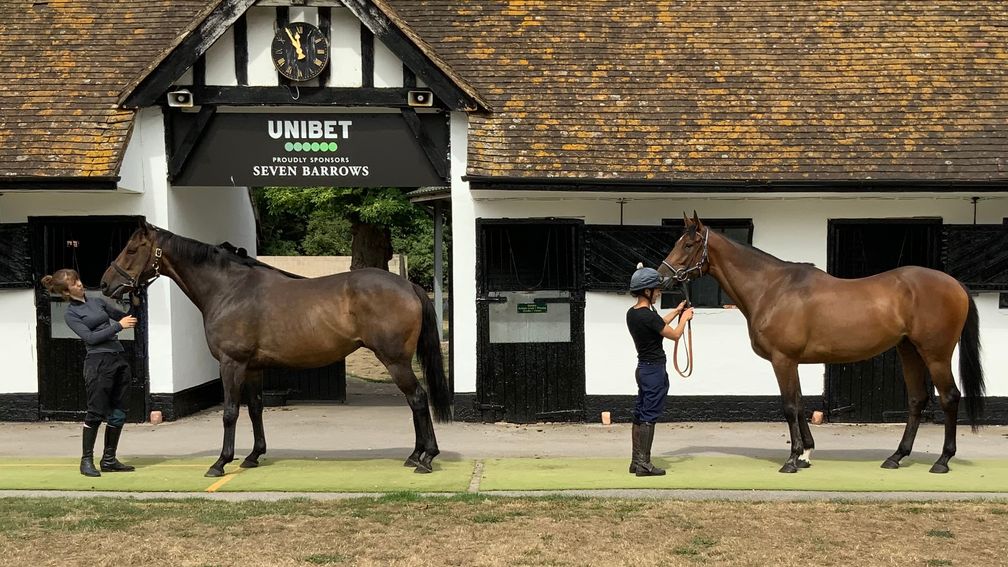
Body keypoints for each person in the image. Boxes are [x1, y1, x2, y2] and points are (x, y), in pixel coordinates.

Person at [41, 269, 137, 477]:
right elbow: (91, 338)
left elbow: (124, 317)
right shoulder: (71, 314)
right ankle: (86, 461)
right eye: (74, 283)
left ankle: (109, 459)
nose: (80, 284)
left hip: (118, 358)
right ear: (66, 292)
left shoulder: (97, 302)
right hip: (97, 363)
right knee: (95, 413)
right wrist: (119, 327)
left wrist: (135, 301)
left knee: (120, 411)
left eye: (79, 279)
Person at [626, 263, 693, 476]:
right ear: (647, 291)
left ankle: (636, 461)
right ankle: (645, 464)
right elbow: (673, 334)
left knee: (640, 413)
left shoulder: (634, 313)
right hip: (654, 371)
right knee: (649, 415)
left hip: (642, 369)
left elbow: (659, 324)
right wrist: (685, 318)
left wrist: (676, 311)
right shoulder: (648, 316)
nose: (658, 293)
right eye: (656, 289)